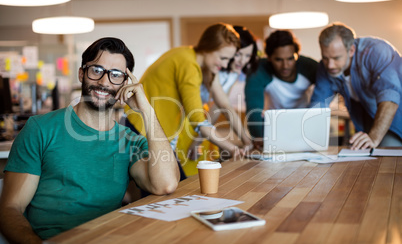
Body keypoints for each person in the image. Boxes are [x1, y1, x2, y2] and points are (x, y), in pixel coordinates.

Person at [0, 37, 180, 244]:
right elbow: (10, 209)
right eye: (97, 70)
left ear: (125, 84)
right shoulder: (40, 129)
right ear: (81, 74)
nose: (104, 82)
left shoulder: (130, 140)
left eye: (116, 75)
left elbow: (166, 184)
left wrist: (147, 110)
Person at [125, 23, 253, 176]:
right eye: (223, 58)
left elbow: (224, 104)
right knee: (167, 188)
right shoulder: (189, 65)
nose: (225, 64)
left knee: (174, 185)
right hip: (141, 128)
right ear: (209, 48)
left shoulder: (191, 58)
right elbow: (198, 121)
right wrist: (233, 149)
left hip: (157, 131)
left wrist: (246, 141)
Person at [177, 25, 259, 176]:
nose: (243, 61)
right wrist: (197, 140)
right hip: (186, 119)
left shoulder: (232, 73)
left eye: (248, 56)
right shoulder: (213, 69)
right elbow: (217, 107)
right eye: (239, 55)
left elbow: (223, 106)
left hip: (202, 121)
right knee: (186, 172)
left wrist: (246, 140)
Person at [311, 22, 402, 149]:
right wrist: (308, 140)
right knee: (364, 153)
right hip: (366, 117)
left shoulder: (377, 51)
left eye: (336, 58)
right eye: (325, 58)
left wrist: (374, 137)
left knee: (389, 154)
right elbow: (318, 106)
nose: (330, 65)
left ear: (351, 50)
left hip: (394, 115)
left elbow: (390, 97)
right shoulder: (324, 67)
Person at [245, 30, 318, 150]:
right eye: (278, 60)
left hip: (305, 123)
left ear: (297, 55)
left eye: (290, 58)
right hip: (275, 127)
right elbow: (253, 107)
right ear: (268, 58)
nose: (285, 65)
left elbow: (329, 85)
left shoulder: (309, 66)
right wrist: (258, 136)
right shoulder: (259, 70)